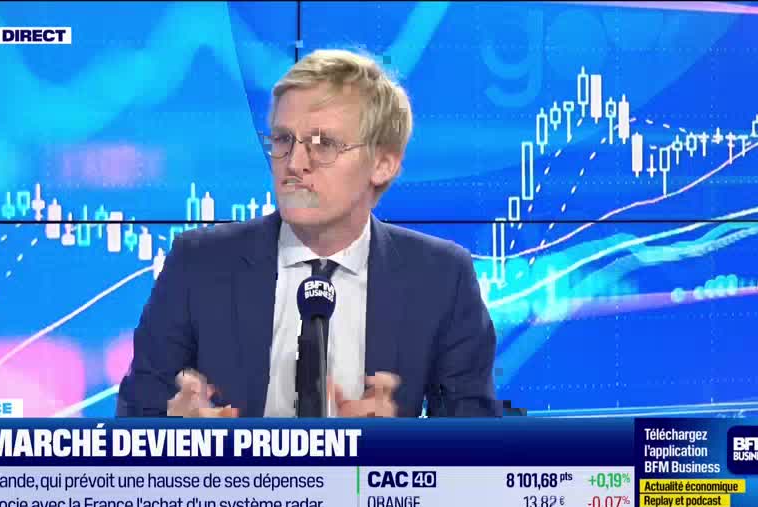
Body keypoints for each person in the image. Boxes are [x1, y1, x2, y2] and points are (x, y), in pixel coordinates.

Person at [116, 49, 499, 418]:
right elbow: (133, 420)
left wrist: (393, 447)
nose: (294, 163)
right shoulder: (198, 263)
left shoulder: (441, 277)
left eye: (323, 144)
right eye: (283, 140)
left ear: (382, 164)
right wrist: (178, 436)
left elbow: (476, 442)